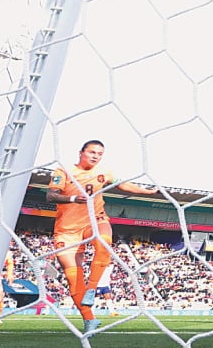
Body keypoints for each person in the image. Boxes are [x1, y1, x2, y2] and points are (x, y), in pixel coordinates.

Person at [47, 139, 157, 336]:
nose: (95, 156)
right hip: (67, 230)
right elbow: (51, 196)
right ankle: (89, 319)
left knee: (104, 241)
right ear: (81, 152)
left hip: (95, 219)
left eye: (99, 154)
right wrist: (73, 198)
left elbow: (122, 185)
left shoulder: (104, 172)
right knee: (73, 278)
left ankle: (91, 289)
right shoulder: (63, 171)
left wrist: (146, 191)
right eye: (92, 152)